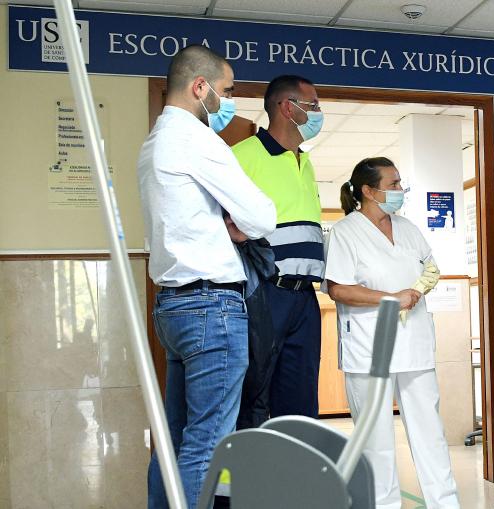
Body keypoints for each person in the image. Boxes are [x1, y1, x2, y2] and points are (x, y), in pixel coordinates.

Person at [138, 45, 276, 508]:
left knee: (174, 441)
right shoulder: (198, 140)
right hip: (212, 309)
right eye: (227, 91)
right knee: (208, 445)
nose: (230, 101)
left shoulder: (154, 142)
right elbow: (261, 216)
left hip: (173, 307)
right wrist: (240, 221)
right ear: (200, 88)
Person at [323, 157, 459, 509]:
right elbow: (338, 289)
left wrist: (419, 288)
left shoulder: (409, 228)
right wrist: (391, 298)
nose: (401, 191)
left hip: (414, 344)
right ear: (369, 191)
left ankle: (446, 504)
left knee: (430, 434)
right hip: (370, 348)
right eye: (394, 184)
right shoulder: (345, 232)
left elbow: (429, 268)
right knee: (376, 441)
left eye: (400, 184)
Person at [232, 75, 326, 420]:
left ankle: (295, 471)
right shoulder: (243, 156)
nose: (318, 113)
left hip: (305, 298)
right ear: (288, 107)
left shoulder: (305, 161)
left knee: (301, 397)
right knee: (257, 392)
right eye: (313, 104)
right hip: (265, 293)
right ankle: (254, 471)